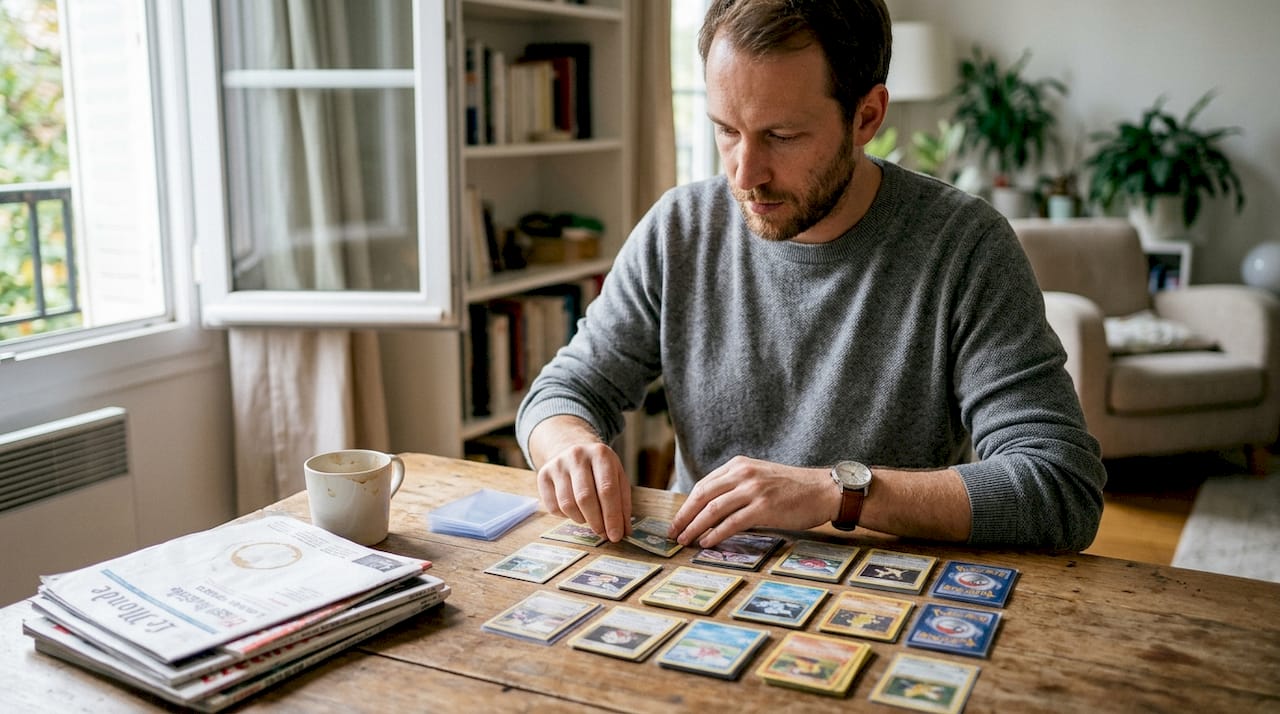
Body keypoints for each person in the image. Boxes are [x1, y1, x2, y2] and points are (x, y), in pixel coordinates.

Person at [515, 0, 1105, 552]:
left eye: (782, 136)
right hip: (706, 577)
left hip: (888, 596)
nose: (745, 174)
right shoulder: (680, 228)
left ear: (866, 116)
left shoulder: (965, 246)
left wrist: (834, 491)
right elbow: (562, 394)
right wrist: (568, 446)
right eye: (726, 129)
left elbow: (1060, 486)